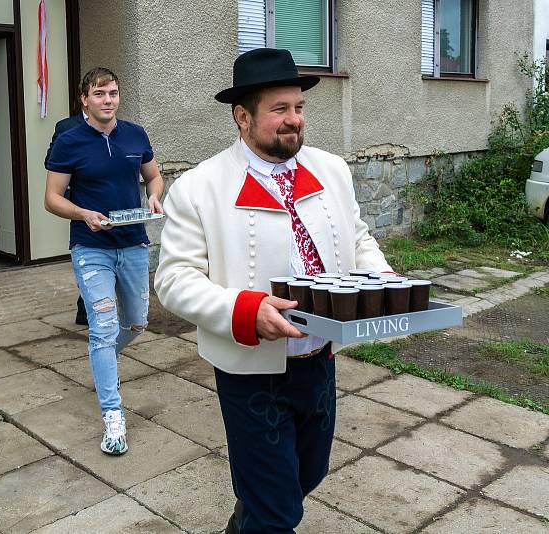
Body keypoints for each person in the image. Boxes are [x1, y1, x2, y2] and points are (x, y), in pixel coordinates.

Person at [154, 48, 394, 533]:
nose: (294, 121)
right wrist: (247, 310)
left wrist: (382, 279)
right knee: (277, 511)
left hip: (318, 361)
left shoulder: (332, 170)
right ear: (243, 118)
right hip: (251, 372)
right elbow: (174, 281)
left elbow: (358, 236)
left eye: (299, 108)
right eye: (279, 110)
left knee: (306, 475)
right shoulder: (199, 187)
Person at [44, 67, 164, 455]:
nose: (107, 100)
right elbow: (52, 198)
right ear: (85, 99)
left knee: (137, 323)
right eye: (99, 94)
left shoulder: (135, 134)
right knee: (103, 326)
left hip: (132, 242)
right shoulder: (69, 141)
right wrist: (82, 214)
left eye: (112, 93)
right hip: (90, 246)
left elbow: (153, 177)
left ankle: (102, 363)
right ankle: (113, 417)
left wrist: (154, 196)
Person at [45, 106, 88, 326]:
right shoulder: (66, 127)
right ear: (84, 99)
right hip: (79, 201)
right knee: (88, 255)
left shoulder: (116, 126)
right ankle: (86, 307)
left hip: (108, 200)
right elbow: (51, 161)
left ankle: (86, 307)